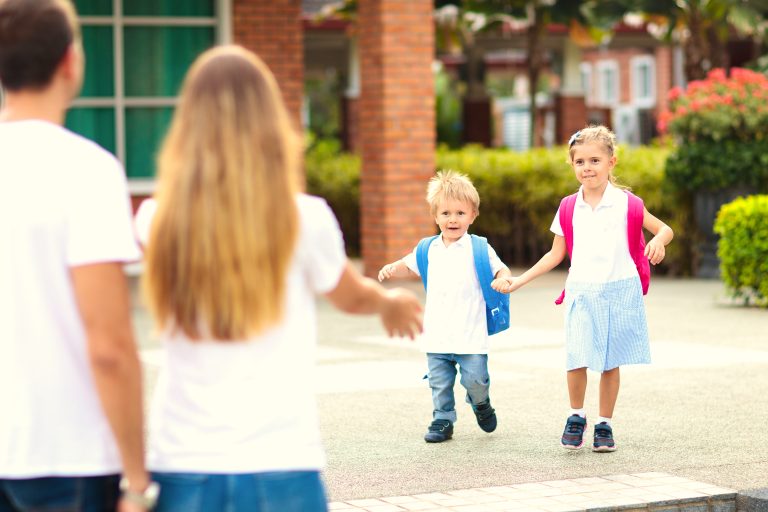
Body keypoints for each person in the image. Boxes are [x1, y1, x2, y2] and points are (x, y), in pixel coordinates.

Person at [135, 45, 423, 512]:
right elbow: (350, 297)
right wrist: (387, 303)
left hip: (183, 461)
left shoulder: (155, 218)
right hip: (282, 461)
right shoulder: (304, 218)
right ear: (270, 122)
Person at [0, 0, 153, 510]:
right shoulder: (88, 172)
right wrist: (136, 480)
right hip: (70, 458)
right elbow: (109, 344)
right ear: (70, 62)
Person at [492, 125, 674, 452]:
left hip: (620, 290)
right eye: (580, 162)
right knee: (577, 356)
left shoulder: (626, 203)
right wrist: (518, 281)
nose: (587, 168)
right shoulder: (567, 207)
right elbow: (555, 254)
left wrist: (659, 240)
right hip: (581, 291)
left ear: (611, 162)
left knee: (609, 361)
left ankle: (605, 424)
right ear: (572, 165)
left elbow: (664, 229)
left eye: (595, 160)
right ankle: (576, 415)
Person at [378, 170, 512, 443]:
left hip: (471, 335)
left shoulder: (479, 248)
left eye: (460, 213)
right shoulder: (428, 249)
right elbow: (408, 264)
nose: (453, 219)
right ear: (435, 216)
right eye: (446, 213)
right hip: (437, 335)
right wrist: (393, 268)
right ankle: (442, 419)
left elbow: (501, 270)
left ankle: (481, 403)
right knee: (439, 383)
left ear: (473, 215)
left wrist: (504, 279)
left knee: (476, 380)